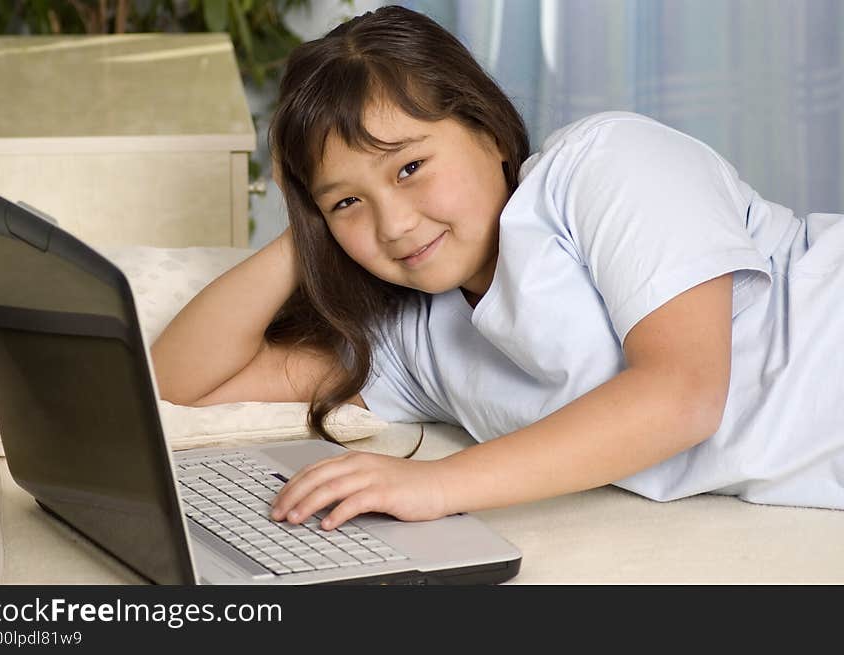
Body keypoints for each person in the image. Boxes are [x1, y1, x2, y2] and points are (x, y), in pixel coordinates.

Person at [150, 5, 844, 532]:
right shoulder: (415, 339)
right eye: (350, 201)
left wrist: (434, 485)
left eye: (411, 166)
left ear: (483, 127)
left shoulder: (604, 166)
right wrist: (307, 229)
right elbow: (180, 383)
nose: (393, 224)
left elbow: (683, 394)